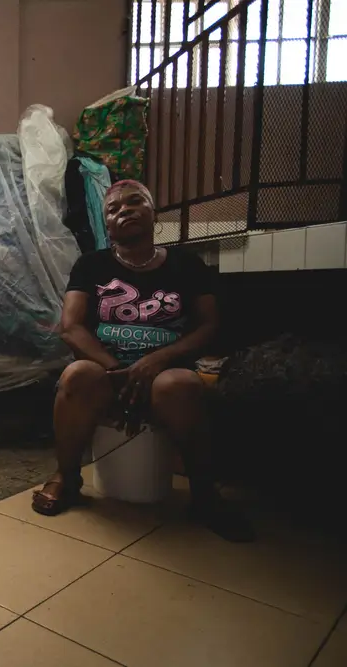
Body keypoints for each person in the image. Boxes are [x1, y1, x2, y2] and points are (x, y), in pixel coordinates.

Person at [32, 180, 254, 542]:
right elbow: (71, 327)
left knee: (181, 385)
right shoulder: (92, 266)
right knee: (77, 375)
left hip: (165, 372)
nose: (125, 211)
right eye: (114, 209)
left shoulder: (187, 264)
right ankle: (67, 477)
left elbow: (210, 323)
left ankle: (204, 494)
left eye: (136, 202)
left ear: (154, 213)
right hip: (108, 370)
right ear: (107, 225)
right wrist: (116, 369)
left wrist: (157, 360)